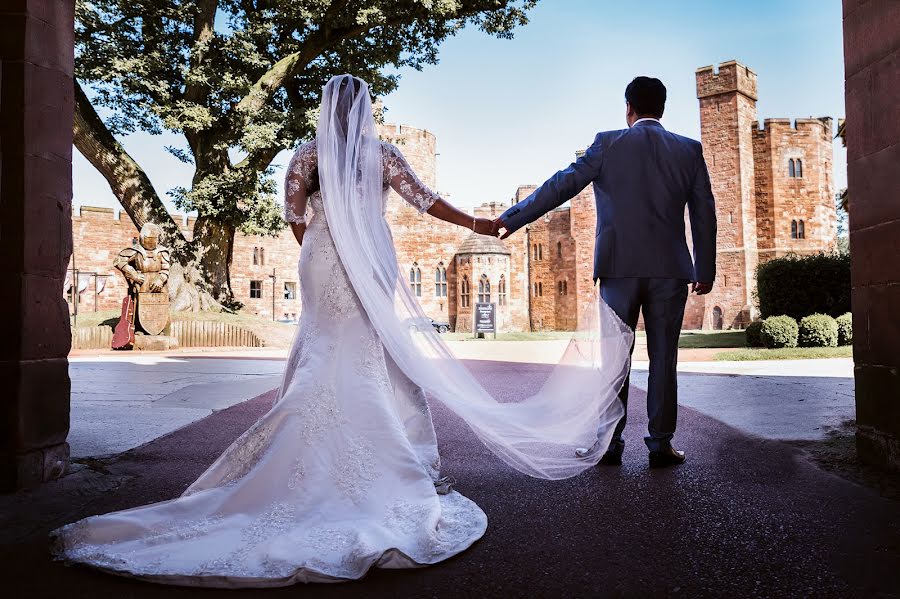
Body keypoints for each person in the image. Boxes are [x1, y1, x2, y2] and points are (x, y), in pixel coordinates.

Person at [50, 75, 631, 588]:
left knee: (325, 347)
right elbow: (426, 202)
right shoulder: (383, 154)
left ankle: (297, 453)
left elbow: (295, 217)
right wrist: (482, 221)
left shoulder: (304, 155)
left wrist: (324, 250)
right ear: (365, 110)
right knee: (370, 349)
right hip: (368, 259)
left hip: (322, 259)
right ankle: (393, 459)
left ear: (327, 110)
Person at [492, 76, 717, 468]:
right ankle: (661, 444)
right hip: (671, 272)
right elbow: (704, 214)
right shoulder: (689, 150)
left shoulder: (608, 143)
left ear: (628, 107)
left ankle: (608, 444)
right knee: (665, 358)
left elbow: (561, 185)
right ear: (661, 108)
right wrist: (706, 268)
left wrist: (513, 219)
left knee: (614, 358)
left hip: (618, 269)